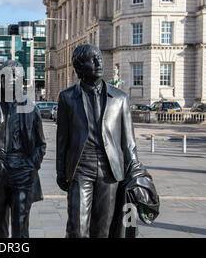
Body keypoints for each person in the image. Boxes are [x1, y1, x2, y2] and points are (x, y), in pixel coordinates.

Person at [56, 43, 154, 238]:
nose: (98, 62)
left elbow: (129, 143)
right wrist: (61, 171)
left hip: (110, 170)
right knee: (76, 228)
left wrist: (134, 174)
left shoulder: (119, 98)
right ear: (79, 67)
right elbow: (62, 139)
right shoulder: (67, 97)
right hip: (80, 168)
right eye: (92, 59)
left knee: (103, 229)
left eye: (99, 57)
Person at [0, 60, 46, 238]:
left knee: (21, 225)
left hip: (22, 169)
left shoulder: (31, 110)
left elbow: (40, 144)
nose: (13, 79)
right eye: (8, 76)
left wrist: (31, 165)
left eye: (17, 76)